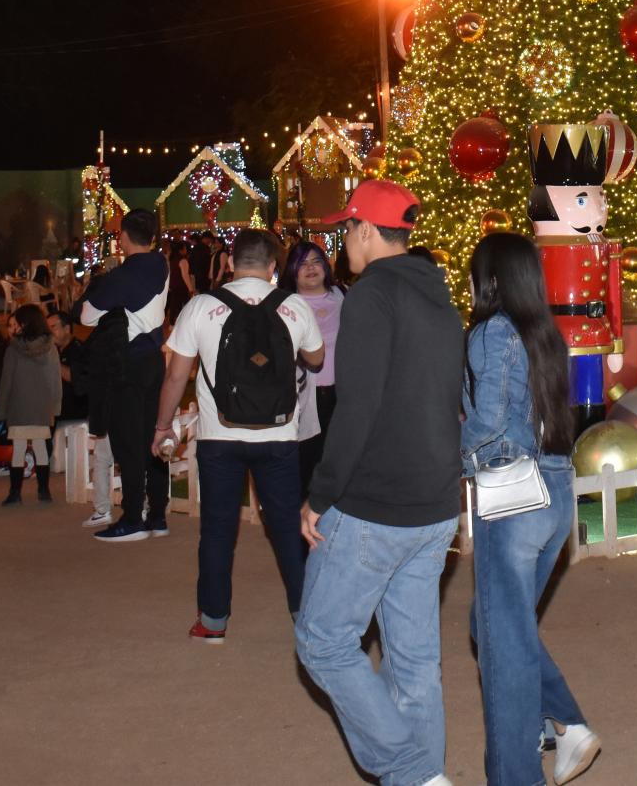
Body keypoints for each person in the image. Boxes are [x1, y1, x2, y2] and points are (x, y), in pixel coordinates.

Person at [294, 182, 466, 786]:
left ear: (368, 229)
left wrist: (320, 493)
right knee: (415, 661)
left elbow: (357, 407)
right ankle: (425, 776)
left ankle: (415, 773)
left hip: (378, 504)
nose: (343, 242)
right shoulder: (439, 296)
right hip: (435, 501)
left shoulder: (370, 296)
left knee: (322, 640)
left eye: (347, 230)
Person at [461, 232, 601, 786]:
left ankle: (517, 776)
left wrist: (458, 459)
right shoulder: (543, 333)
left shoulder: (492, 331)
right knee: (495, 624)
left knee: (502, 646)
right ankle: (566, 722)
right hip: (555, 489)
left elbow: (492, 422)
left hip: (513, 497)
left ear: (492, 279)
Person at [153, 228, 322, 643]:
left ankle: (213, 619)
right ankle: (307, 616)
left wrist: (162, 426)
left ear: (229, 262)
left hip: (219, 438)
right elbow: (316, 359)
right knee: (286, 527)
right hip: (280, 436)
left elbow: (177, 376)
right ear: (273, 267)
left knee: (217, 528)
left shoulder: (200, 306)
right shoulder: (294, 306)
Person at [77, 209, 173, 543]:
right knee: (154, 438)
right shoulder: (163, 264)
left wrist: (105, 293)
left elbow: (87, 316)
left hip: (126, 363)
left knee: (128, 443)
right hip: (153, 359)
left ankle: (133, 517)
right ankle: (158, 515)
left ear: (124, 236)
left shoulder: (123, 274)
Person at [284, 239, 346, 493]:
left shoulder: (344, 295)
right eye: (302, 263)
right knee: (306, 464)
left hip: (342, 395)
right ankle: (303, 527)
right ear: (292, 271)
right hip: (303, 397)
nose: (311, 268)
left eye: (316, 261)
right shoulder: (286, 305)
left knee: (340, 462)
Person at [0, 304, 63, 505]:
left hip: (18, 406)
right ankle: (44, 491)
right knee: (40, 447)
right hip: (42, 407)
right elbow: (55, 380)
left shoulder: (13, 348)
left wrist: (1, 409)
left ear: (24, 324)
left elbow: (6, 381)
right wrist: (55, 407)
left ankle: (15, 493)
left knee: (18, 449)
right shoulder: (50, 347)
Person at [58, 308, 117, 527]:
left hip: (106, 406)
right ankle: (137, 508)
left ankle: (103, 509)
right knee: (122, 459)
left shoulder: (95, 343)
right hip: (122, 404)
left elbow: (82, 380)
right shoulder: (127, 334)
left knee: (103, 459)